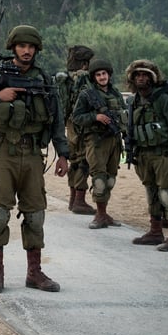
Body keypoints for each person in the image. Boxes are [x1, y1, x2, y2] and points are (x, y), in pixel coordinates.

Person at [0, 25, 69, 293]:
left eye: (31, 46)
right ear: (13, 47)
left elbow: (57, 119)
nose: (27, 51)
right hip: (2, 152)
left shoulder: (42, 79)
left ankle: (34, 273)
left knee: (35, 215)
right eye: (22, 46)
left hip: (33, 154)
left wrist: (63, 154)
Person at [125, 59, 168, 251]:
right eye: (137, 75)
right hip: (143, 154)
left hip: (163, 154)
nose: (141, 78)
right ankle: (155, 231)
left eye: (145, 75)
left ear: (153, 78)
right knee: (151, 192)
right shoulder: (133, 101)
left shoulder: (163, 99)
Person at [72, 59, 127, 230]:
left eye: (104, 74)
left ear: (109, 75)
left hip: (114, 140)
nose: (102, 77)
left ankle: (104, 213)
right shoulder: (87, 94)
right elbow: (77, 117)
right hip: (96, 141)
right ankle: (99, 214)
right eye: (98, 74)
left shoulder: (116, 93)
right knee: (99, 179)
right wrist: (95, 117)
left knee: (110, 179)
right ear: (94, 77)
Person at [56, 45, 96, 215]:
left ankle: (73, 198)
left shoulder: (64, 78)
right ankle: (79, 199)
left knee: (73, 159)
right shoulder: (84, 78)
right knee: (82, 160)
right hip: (81, 124)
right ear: (85, 63)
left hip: (69, 123)